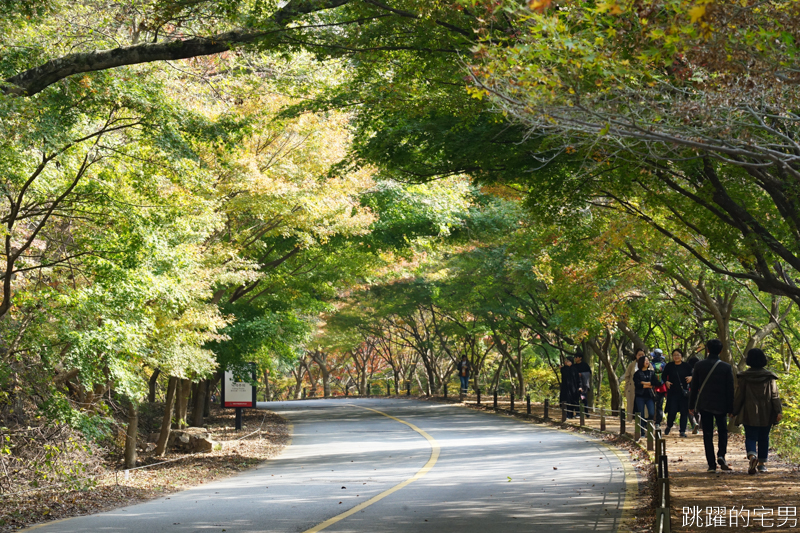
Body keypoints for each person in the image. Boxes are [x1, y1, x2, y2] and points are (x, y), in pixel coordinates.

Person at [733, 348, 783, 475]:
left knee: (750, 436)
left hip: (748, 411)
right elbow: (774, 396)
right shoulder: (769, 377)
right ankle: (761, 464)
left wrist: (734, 410)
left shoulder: (744, 377)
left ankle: (752, 456)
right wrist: (778, 411)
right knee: (763, 437)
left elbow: (739, 396)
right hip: (767, 411)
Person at [689, 339, 735, 473]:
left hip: (705, 403)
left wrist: (691, 405)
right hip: (721, 404)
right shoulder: (726, 367)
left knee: (707, 433)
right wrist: (731, 408)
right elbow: (730, 389)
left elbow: (694, 387)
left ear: (707, 350)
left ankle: (711, 464)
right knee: (723, 431)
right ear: (720, 351)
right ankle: (721, 455)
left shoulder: (699, 365)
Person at [662, 349, 692, 437]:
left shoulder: (686, 366)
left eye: (678, 355)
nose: (676, 357)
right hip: (672, 392)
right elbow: (663, 376)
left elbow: (694, 374)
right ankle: (669, 425)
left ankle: (682, 431)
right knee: (672, 411)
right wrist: (666, 382)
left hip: (684, 393)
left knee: (684, 412)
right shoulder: (669, 366)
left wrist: (691, 377)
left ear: (681, 356)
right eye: (674, 355)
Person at [633, 356, 660, 440]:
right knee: (641, 415)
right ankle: (642, 432)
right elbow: (637, 385)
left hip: (650, 396)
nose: (647, 362)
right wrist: (648, 384)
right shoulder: (637, 373)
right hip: (640, 396)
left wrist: (644, 383)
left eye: (648, 360)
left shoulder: (651, 373)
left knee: (651, 413)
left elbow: (656, 383)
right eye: (645, 360)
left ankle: (649, 429)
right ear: (641, 362)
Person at [623, 348, 647, 422]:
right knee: (634, 406)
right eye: (639, 355)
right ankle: (636, 422)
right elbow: (627, 377)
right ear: (636, 356)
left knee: (644, 407)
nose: (641, 356)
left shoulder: (648, 364)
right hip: (633, 389)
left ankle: (644, 422)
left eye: (642, 355)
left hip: (645, 389)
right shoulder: (632, 365)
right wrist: (626, 388)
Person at [651, 348, 667, 425]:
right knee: (659, 405)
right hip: (662, 387)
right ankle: (658, 422)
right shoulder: (664, 365)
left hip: (652, 386)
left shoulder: (650, 364)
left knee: (651, 404)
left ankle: (650, 421)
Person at [573, 352, 592, 416]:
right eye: (574, 357)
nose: (575, 358)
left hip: (583, 385)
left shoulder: (585, 365)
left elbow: (589, 373)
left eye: (576, 357)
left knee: (584, 399)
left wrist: (582, 374)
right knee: (576, 399)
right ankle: (578, 413)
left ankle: (586, 412)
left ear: (580, 358)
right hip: (575, 384)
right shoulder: (574, 366)